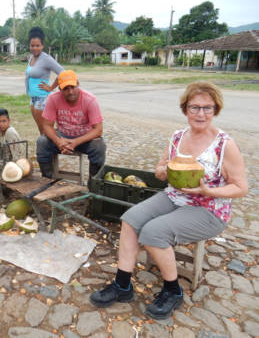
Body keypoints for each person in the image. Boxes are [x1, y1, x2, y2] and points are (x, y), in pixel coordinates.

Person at [90, 82, 248, 320]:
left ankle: (173, 291)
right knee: (130, 219)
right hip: (174, 196)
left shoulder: (225, 145)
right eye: (195, 107)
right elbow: (160, 167)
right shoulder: (177, 137)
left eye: (207, 108)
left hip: (209, 208)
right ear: (185, 109)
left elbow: (240, 187)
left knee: (154, 232)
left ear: (216, 109)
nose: (201, 114)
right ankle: (123, 285)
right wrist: (162, 171)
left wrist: (208, 191)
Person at [36, 70, 106, 180]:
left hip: (84, 138)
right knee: (42, 142)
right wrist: (58, 141)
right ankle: (47, 180)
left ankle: (94, 184)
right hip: (62, 136)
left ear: (77, 83)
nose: (71, 91)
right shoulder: (53, 99)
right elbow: (46, 125)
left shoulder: (90, 100)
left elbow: (98, 130)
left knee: (99, 146)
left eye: (73, 87)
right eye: (66, 89)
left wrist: (75, 142)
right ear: (60, 89)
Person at [26, 27, 64, 134]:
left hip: (42, 99)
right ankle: (44, 149)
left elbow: (62, 72)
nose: (35, 48)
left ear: (42, 46)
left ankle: (51, 149)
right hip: (33, 98)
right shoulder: (31, 57)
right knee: (41, 130)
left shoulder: (46, 58)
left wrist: (51, 87)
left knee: (46, 130)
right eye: (32, 45)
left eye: (38, 45)